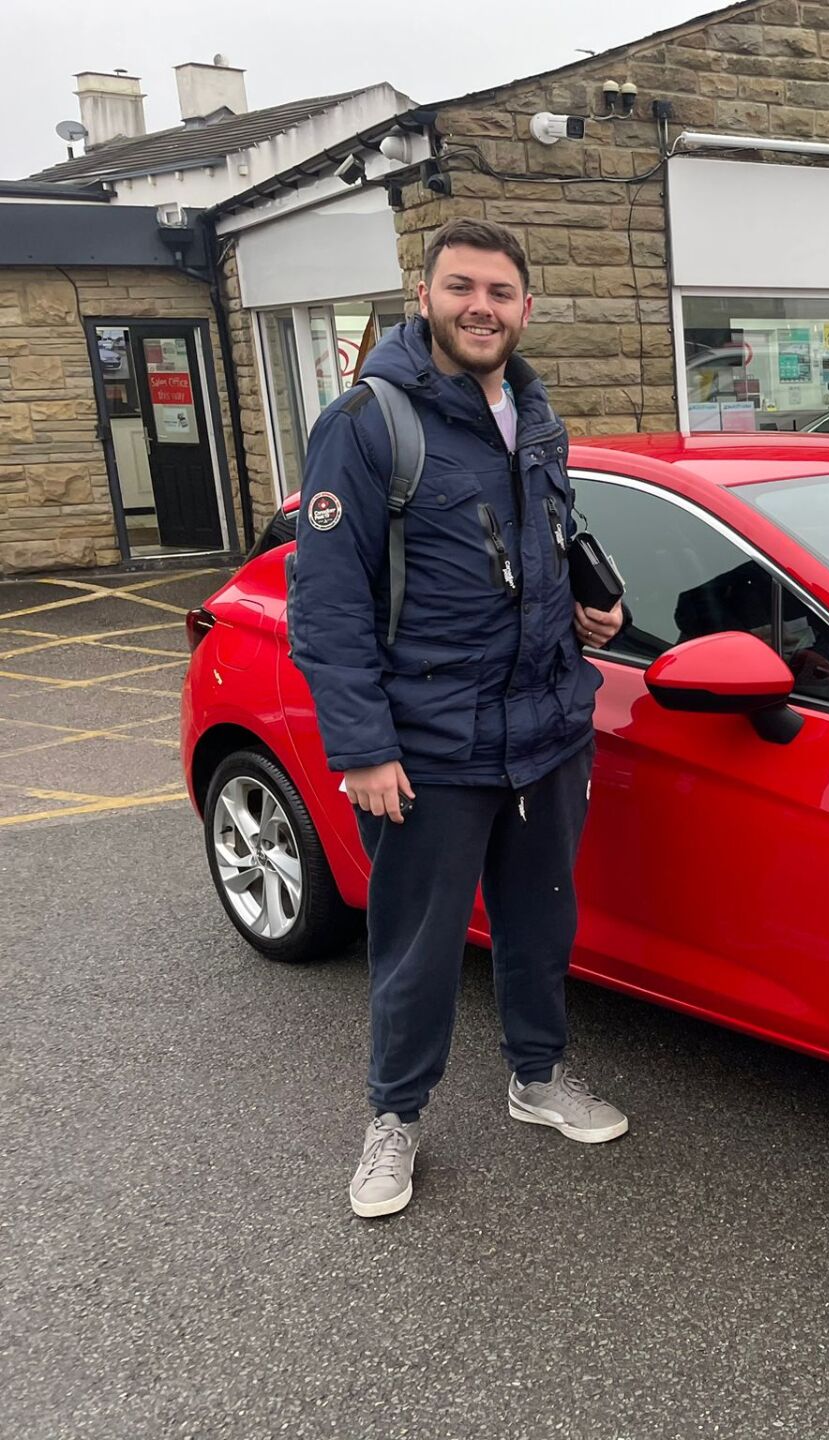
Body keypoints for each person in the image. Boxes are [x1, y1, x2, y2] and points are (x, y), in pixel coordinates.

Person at [289, 218, 628, 1219]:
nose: (481, 305)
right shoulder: (367, 422)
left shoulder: (538, 414)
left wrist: (589, 607)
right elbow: (329, 600)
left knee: (540, 924)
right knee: (418, 946)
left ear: (527, 307)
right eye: (461, 287)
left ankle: (537, 1075)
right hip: (428, 746)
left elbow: (542, 544)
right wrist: (360, 747)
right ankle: (393, 1118)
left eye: (500, 291)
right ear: (426, 296)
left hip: (545, 732)